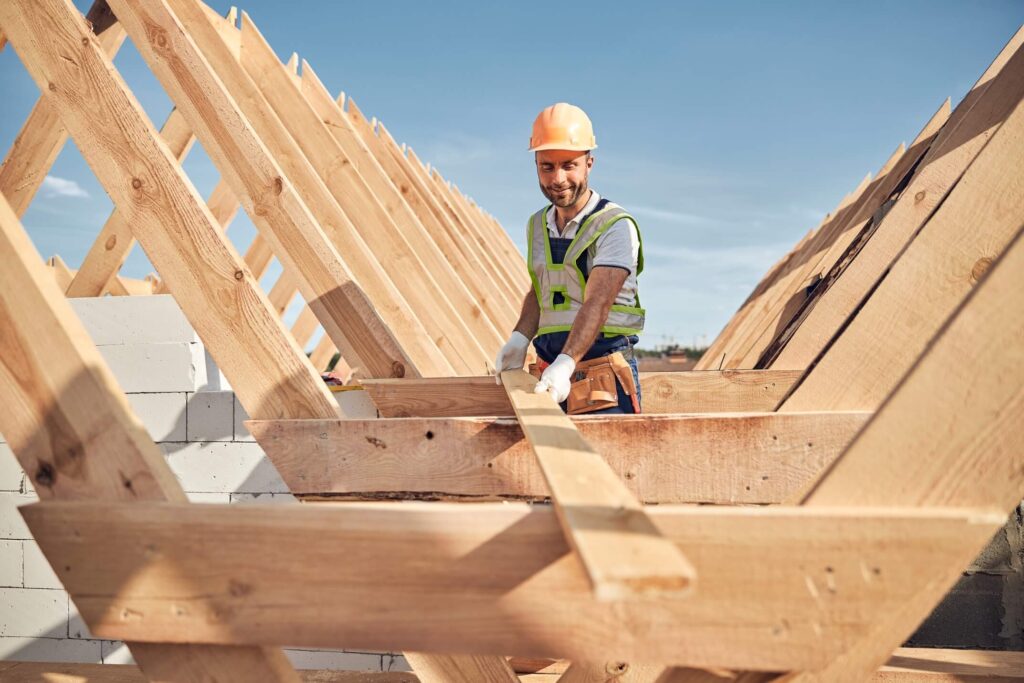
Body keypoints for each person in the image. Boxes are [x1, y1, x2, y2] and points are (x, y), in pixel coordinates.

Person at [494, 103, 644, 414]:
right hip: (548, 377)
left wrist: (567, 362)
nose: (558, 178)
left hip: (602, 379)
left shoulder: (615, 226)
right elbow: (543, 290)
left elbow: (598, 302)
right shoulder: (537, 225)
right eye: (547, 166)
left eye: (569, 165)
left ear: (589, 163)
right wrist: (520, 337)